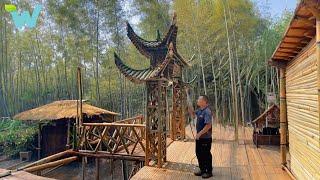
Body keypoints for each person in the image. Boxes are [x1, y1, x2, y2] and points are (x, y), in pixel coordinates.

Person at [189, 95, 213, 178]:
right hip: (199, 138)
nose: (197, 100)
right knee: (199, 153)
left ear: (204, 101)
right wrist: (189, 102)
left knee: (206, 154)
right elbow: (193, 113)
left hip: (205, 138)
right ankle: (202, 169)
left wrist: (199, 133)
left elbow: (208, 126)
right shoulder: (200, 110)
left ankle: (208, 171)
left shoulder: (207, 112)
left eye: (199, 99)